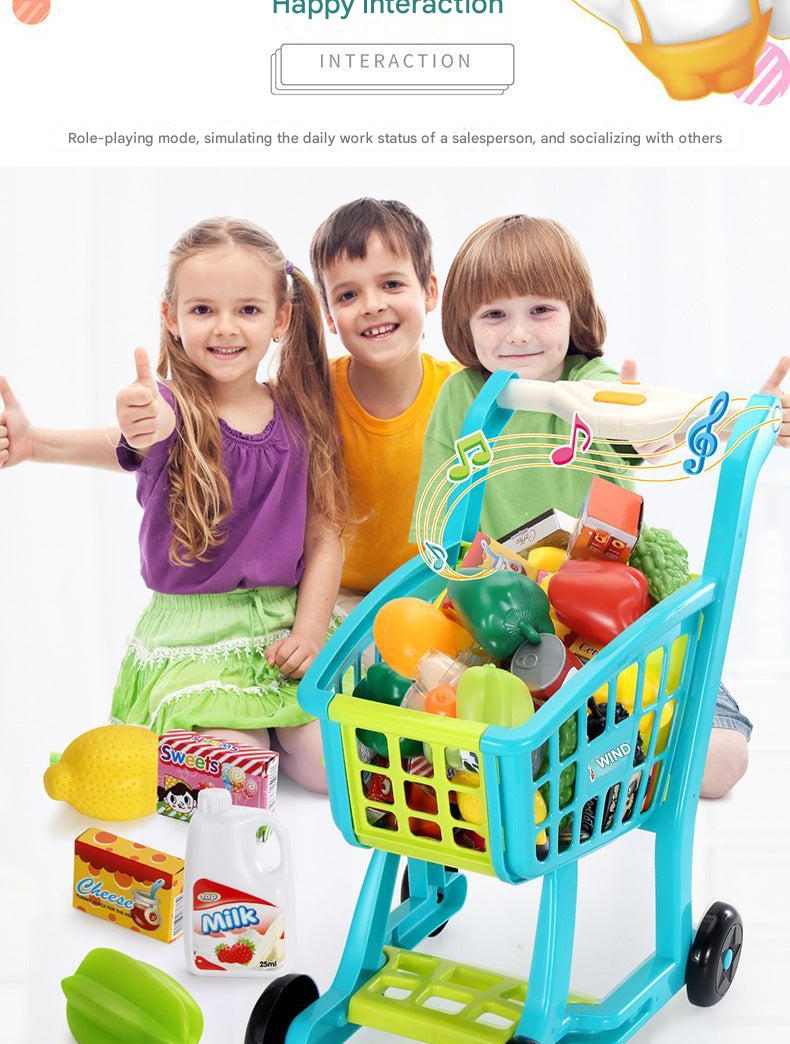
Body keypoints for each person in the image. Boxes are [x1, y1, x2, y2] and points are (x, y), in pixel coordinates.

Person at [411, 214, 790, 799]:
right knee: (454, 739)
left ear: (574, 314)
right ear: (464, 324)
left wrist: (744, 415)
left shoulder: (594, 380)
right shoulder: (461, 398)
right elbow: (436, 533)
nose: (518, 335)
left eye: (541, 310)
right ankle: (584, 759)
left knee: (724, 758)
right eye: (494, 314)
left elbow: (648, 433)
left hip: (623, 618)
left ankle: (616, 760)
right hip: (509, 628)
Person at [1, 217, 349, 793]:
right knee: (240, 769)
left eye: (249, 310)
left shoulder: (302, 416)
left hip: (281, 624)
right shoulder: (169, 406)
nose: (225, 328)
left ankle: (272, 738)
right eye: (203, 309)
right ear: (171, 316)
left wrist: (311, 632)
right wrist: (42, 442)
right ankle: (198, 744)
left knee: (324, 765)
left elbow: (325, 537)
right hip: (195, 635)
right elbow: (134, 437)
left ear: (282, 317)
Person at [309, 197, 456, 596]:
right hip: (337, 602)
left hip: (440, 599)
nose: (372, 305)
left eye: (391, 284)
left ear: (429, 291)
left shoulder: (464, 393)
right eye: (347, 295)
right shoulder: (309, 393)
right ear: (328, 317)